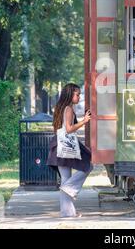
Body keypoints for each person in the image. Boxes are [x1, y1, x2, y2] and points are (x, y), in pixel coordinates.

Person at [47, 83, 92, 218]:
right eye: (77, 94)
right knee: (88, 166)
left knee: (65, 179)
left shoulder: (60, 108)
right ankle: (70, 189)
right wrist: (84, 121)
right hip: (65, 146)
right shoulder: (68, 109)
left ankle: (68, 213)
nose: (79, 97)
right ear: (70, 94)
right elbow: (68, 129)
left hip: (58, 145)